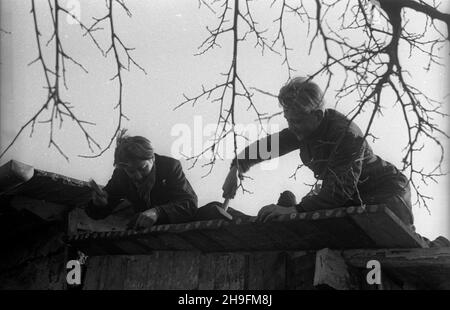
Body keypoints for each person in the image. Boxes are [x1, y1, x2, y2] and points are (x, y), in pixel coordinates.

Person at [222, 76, 415, 228]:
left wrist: (295, 209)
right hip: (355, 198)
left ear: (317, 115)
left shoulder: (346, 136)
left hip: (388, 193)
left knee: (385, 237)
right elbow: (268, 146)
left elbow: (337, 192)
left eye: (296, 121)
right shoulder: (303, 129)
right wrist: (237, 166)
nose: (292, 127)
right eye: (288, 120)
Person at [85, 129, 198, 229]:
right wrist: (99, 204)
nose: (138, 176)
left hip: (179, 227)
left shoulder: (170, 166)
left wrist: (157, 212)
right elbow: (98, 213)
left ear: (152, 158)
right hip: (147, 232)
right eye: (131, 171)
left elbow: (190, 204)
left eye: (142, 168)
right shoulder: (121, 176)